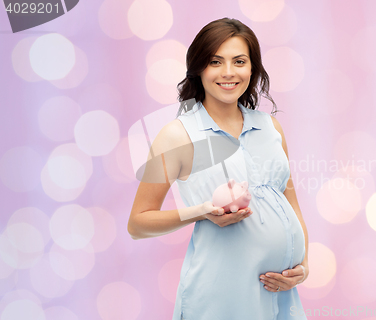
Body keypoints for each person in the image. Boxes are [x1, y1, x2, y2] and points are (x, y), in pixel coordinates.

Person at [128, 17, 309, 320]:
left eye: (239, 61)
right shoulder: (178, 135)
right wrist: (200, 212)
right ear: (199, 69)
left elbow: (290, 204)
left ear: (252, 69)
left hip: (280, 295)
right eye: (215, 61)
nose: (228, 72)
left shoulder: (270, 127)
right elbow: (138, 223)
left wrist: (303, 268)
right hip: (221, 298)